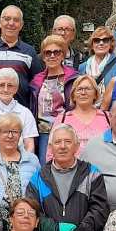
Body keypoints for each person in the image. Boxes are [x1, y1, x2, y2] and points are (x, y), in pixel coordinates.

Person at [0, 114, 41, 214]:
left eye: (15, 131)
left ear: (20, 135)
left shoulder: (32, 160)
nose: (10, 136)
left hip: (26, 220)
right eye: (5, 131)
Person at [30, 34, 78, 162]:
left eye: (56, 52)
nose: (52, 56)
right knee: (45, 168)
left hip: (65, 132)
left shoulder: (73, 78)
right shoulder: (37, 80)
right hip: (43, 134)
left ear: (62, 55)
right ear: (43, 56)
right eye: (47, 53)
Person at [0, 5, 42, 107]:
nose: (11, 23)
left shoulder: (29, 51)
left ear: (21, 25)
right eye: (7, 19)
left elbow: (38, 84)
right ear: (0, 22)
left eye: (16, 20)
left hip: (20, 113)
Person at [55, 75, 112, 160]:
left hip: (103, 168)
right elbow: (51, 150)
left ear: (95, 94)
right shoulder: (62, 119)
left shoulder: (107, 117)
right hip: (72, 170)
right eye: (79, 89)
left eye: (88, 89)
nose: (83, 93)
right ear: (73, 95)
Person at [79, 27, 116, 100]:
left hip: (113, 108)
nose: (101, 43)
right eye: (97, 40)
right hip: (89, 109)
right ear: (92, 45)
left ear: (111, 44)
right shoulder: (82, 67)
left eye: (105, 40)